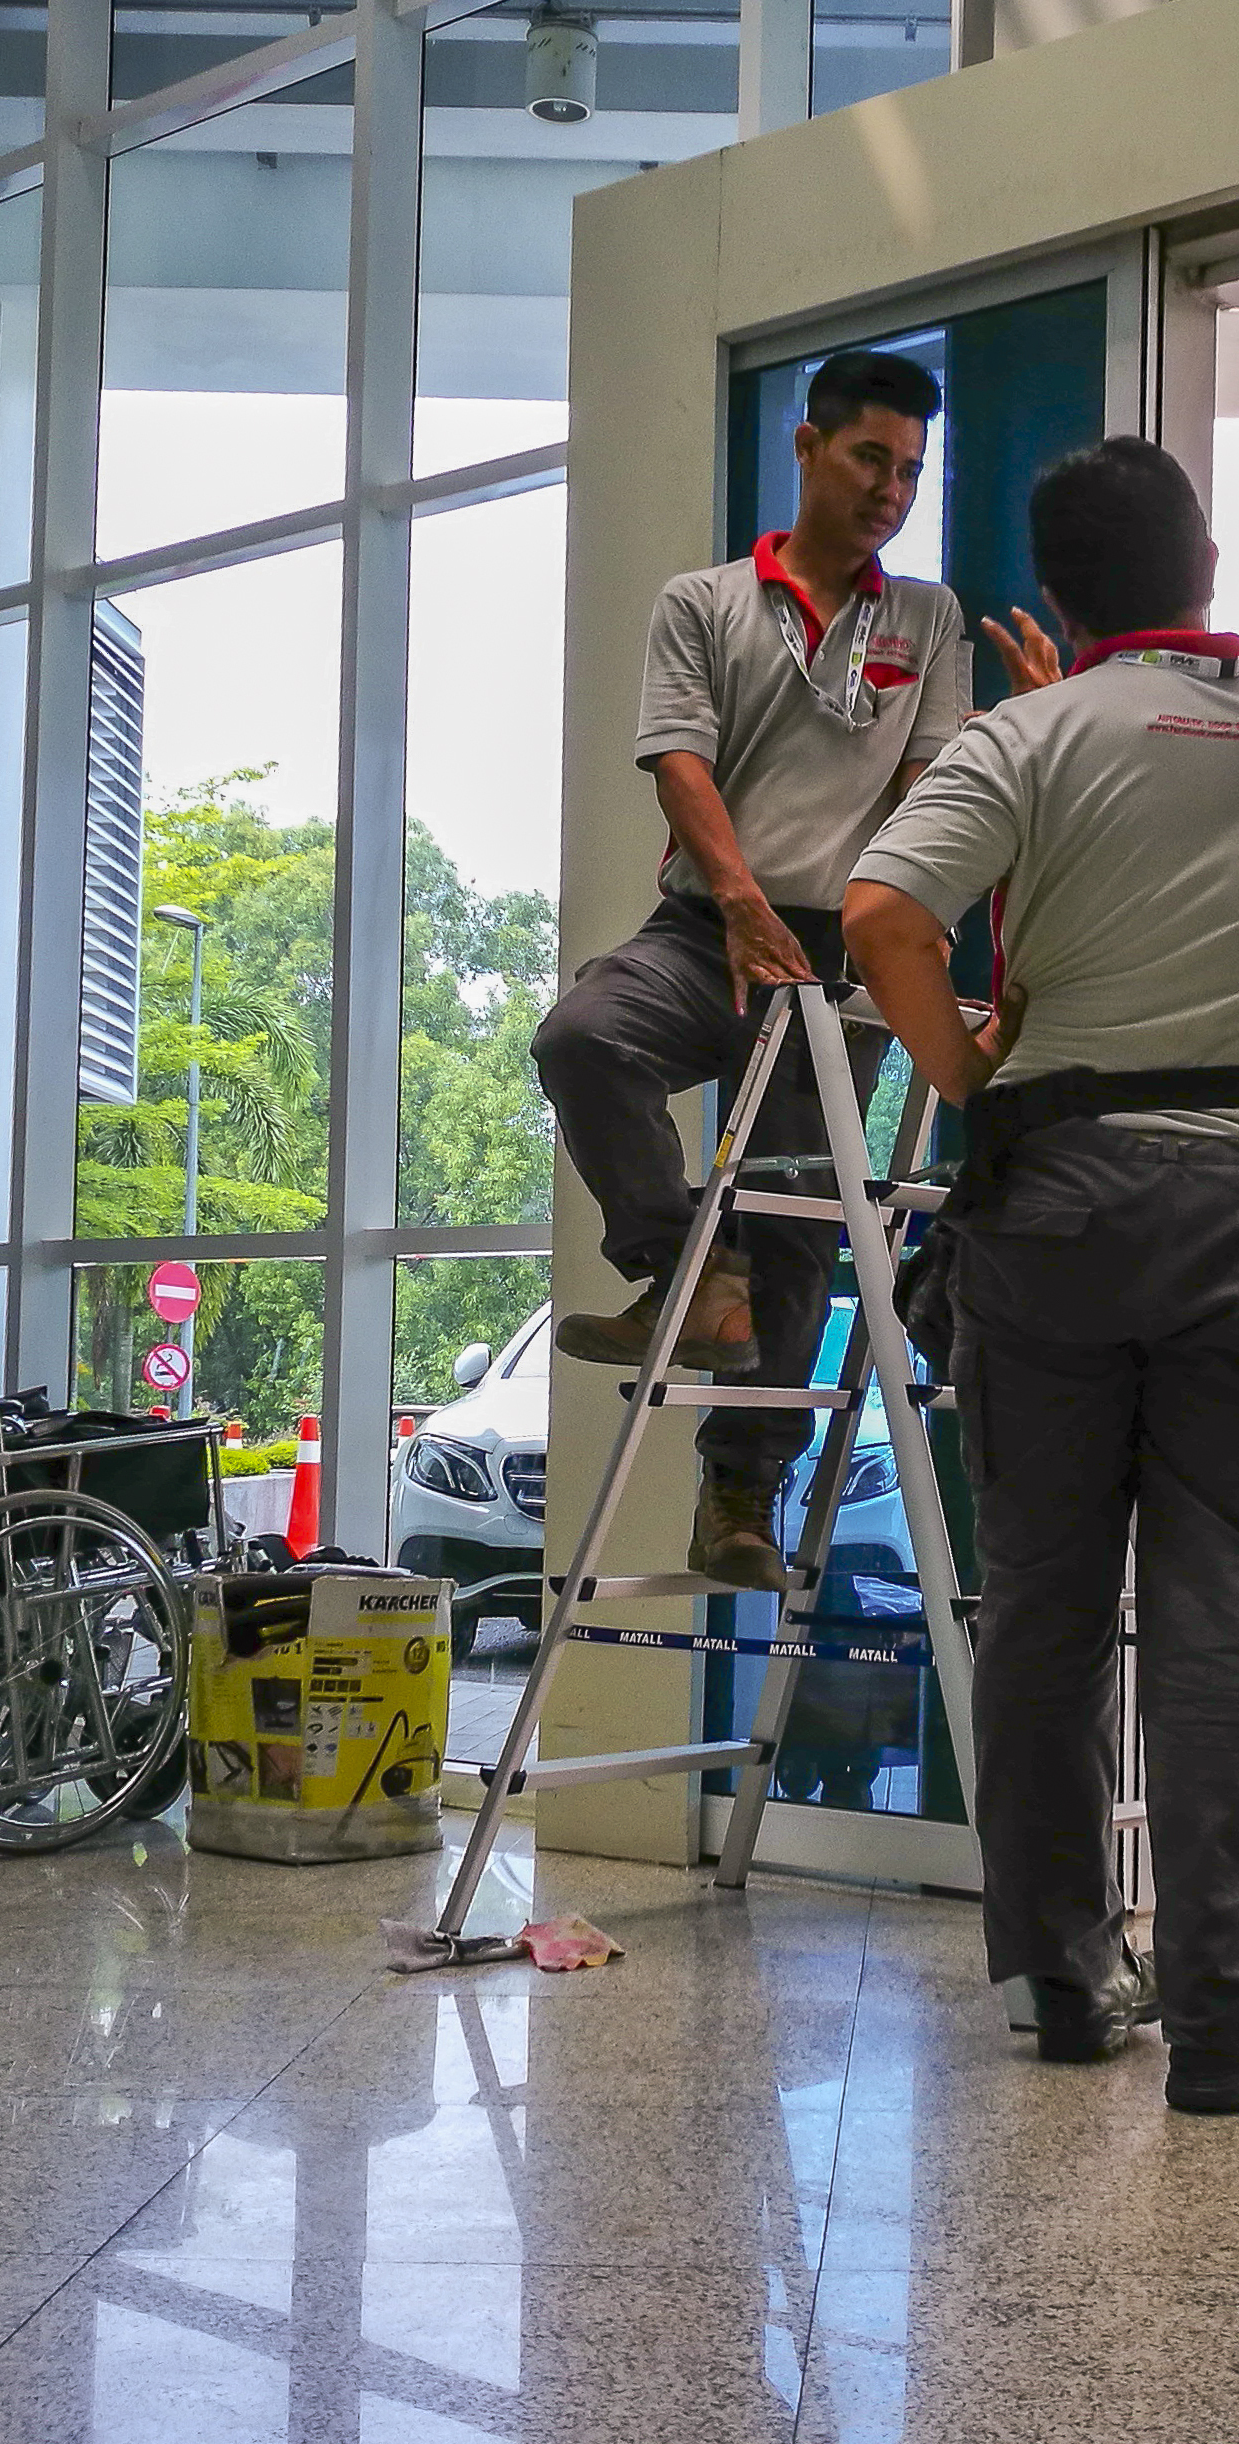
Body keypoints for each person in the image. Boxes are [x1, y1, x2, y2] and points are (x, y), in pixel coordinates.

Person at [841, 435, 1239, 2115]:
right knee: (1224, 1609)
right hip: (1238, 1207)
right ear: (1204, 557)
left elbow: (878, 916)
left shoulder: (1027, 731)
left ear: (1057, 596)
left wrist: (967, 1073)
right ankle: (1229, 2021)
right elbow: (1170, 754)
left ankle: (1063, 1986)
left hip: (1055, 1204)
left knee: (1050, 1608)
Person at [531, 349, 970, 1592]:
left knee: (800, 1222)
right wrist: (734, 900)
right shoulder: (707, 601)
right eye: (869, 458)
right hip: (704, 922)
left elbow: (923, 783)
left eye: (909, 470)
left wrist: (882, 925)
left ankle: (741, 1496)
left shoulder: (926, 620)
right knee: (582, 1039)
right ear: (808, 449)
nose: (890, 487)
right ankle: (680, 1268)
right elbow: (679, 760)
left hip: (837, 951)